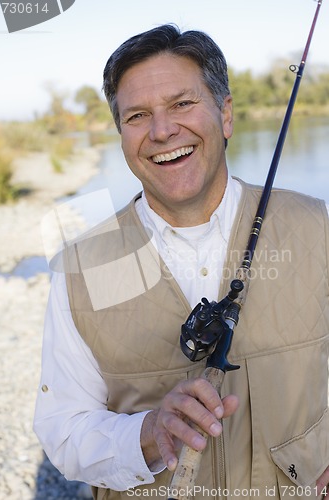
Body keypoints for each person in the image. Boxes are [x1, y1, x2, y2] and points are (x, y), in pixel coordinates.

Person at [34, 24, 329, 500]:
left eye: (182, 104)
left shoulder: (316, 225)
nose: (162, 130)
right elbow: (62, 430)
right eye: (137, 115)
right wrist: (148, 431)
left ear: (226, 114)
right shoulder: (82, 266)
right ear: (121, 134)